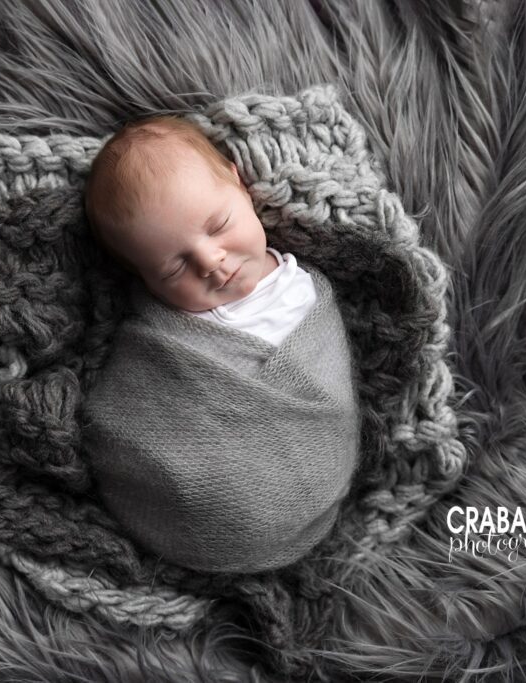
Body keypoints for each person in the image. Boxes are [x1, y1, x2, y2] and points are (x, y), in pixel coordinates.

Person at [80, 116, 361, 574]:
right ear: (145, 279)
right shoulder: (170, 326)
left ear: (239, 185)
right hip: (199, 493)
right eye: (174, 268)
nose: (211, 261)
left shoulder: (305, 288)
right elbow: (133, 410)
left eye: (218, 225)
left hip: (316, 461)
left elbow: (333, 376)